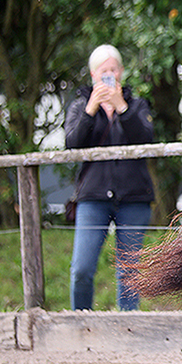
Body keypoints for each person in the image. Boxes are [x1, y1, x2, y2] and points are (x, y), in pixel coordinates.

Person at [65, 44, 155, 310]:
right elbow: (72, 143)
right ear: (93, 75)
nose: (109, 75)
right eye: (103, 71)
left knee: (129, 271)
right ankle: (79, 323)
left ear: (121, 72)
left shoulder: (137, 104)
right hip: (93, 197)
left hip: (134, 197)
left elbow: (145, 140)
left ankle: (128, 327)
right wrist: (91, 109)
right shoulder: (80, 105)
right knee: (81, 268)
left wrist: (122, 109)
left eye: (113, 70)